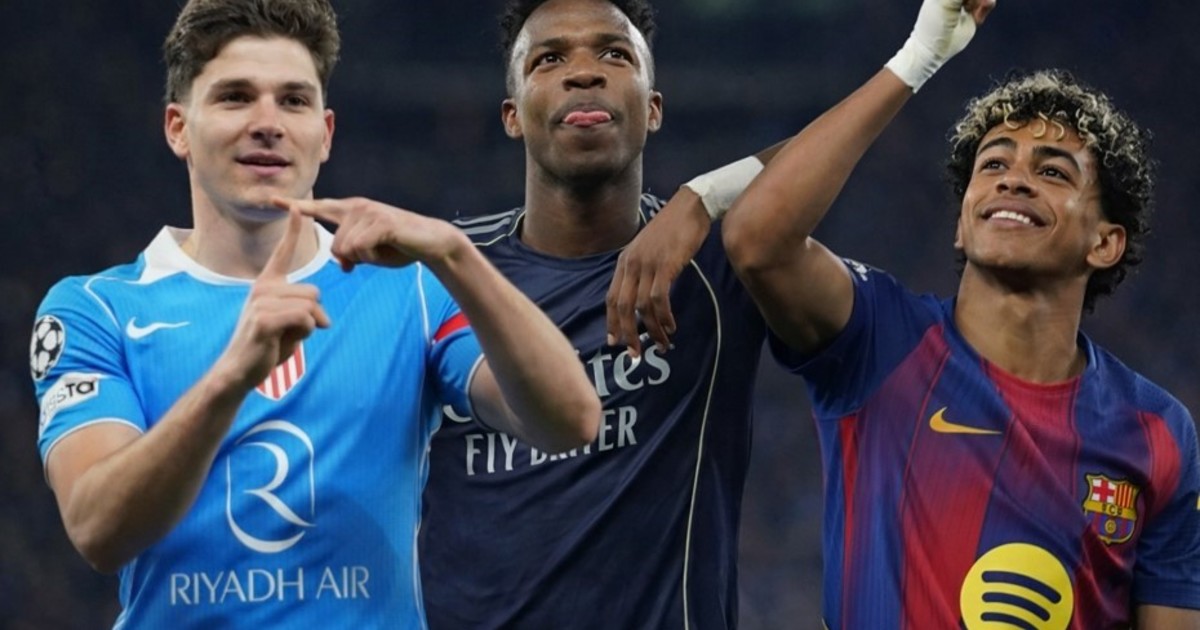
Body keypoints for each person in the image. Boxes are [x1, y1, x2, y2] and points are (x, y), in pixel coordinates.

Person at [27, 0, 599, 626]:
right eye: (235, 97)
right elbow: (98, 530)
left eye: (293, 100)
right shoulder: (95, 309)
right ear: (178, 128)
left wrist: (456, 254)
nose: (267, 123)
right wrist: (231, 376)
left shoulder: (409, 289)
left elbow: (570, 420)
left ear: (324, 133)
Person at [715, 0, 1200, 627]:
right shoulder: (881, 339)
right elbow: (756, 238)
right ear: (962, 224)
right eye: (993, 163)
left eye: (1053, 172)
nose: (1013, 180)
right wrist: (916, 59)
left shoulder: (1157, 430)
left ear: (1104, 243)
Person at [417, 0, 783, 627]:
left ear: (654, 107)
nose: (583, 72)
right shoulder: (439, 275)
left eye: (614, 54)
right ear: (512, 115)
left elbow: (832, 149)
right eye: (549, 58)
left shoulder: (712, 262)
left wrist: (704, 196)